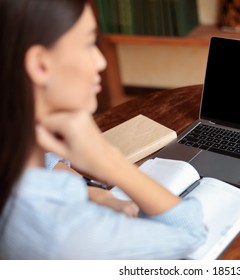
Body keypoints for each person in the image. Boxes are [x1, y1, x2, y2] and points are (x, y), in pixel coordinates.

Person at [0, 0, 207, 259]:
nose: (100, 62)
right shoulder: (66, 235)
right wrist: (110, 163)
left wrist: (97, 195)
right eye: (88, 44)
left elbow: (47, 162)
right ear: (40, 65)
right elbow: (190, 232)